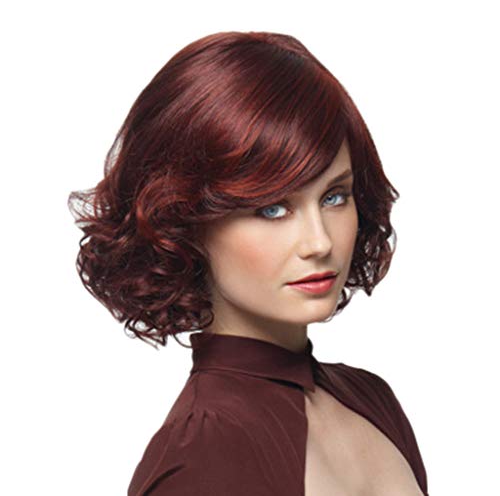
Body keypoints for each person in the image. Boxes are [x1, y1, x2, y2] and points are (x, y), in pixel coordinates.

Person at [68, 31, 429, 496]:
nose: (319, 242)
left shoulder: (370, 399)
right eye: (272, 209)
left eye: (334, 196)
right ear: (185, 222)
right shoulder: (203, 455)